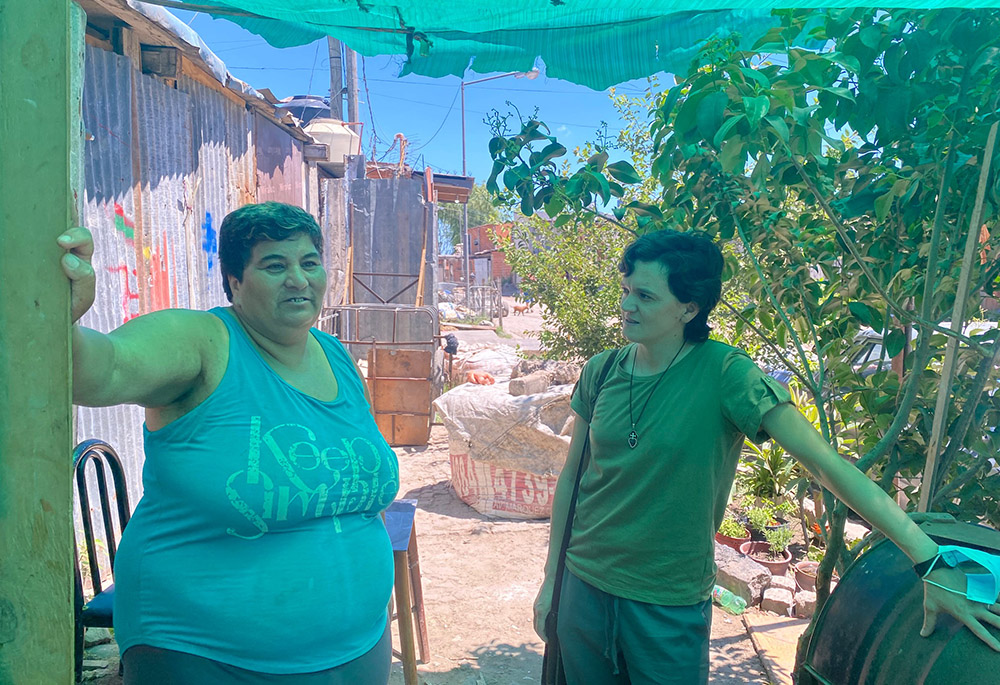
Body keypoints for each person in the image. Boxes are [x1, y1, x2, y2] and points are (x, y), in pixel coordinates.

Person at [533, 229, 1000, 684]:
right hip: (583, 589)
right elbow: (572, 481)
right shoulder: (602, 371)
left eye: (646, 296)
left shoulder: (726, 374)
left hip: (665, 603)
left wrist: (929, 560)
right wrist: (552, 583)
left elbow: (823, 463)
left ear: (688, 308)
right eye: (626, 289)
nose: (626, 305)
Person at [59, 202, 400, 684]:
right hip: (205, 655)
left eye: (309, 262)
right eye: (274, 265)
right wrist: (57, 317)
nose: (299, 280)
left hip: (358, 644)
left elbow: (356, 487)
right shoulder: (202, 342)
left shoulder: (337, 357)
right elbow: (101, 369)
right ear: (234, 282)